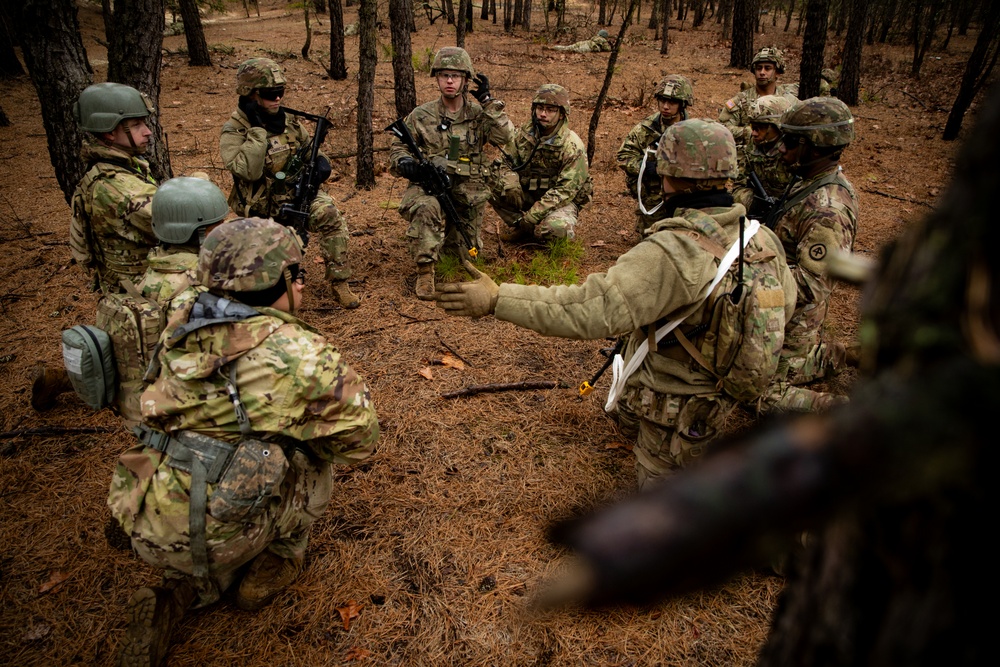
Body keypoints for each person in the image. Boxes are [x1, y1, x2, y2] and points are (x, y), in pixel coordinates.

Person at [436, 120, 795, 490]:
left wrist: (499, 298)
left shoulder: (671, 252)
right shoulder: (760, 236)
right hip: (725, 399)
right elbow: (787, 309)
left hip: (674, 415)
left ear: (669, 176)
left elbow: (589, 309)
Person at [108, 217, 379, 666]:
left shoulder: (177, 317)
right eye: (299, 274)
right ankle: (277, 559)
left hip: (141, 506)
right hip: (215, 530)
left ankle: (183, 589)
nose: (304, 283)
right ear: (284, 280)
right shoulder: (299, 355)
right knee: (311, 460)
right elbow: (361, 442)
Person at [30, 176, 226, 414]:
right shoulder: (198, 291)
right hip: (180, 411)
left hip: (139, 401)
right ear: (200, 234)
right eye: (218, 225)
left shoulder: (148, 276)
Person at [220, 57, 360, 309]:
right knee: (274, 268)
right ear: (249, 95)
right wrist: (257, 130)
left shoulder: (289, 122)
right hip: (261, 209)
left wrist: (321, 164)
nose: (277, 99)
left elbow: (310, 151)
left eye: (280, 93)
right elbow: (248, 172)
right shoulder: (235, 131)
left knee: (329, 214)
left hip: (298, 195)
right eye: (269, 94)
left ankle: (340, 282)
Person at [388, 46, 514, 299]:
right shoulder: (422, 115)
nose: (449, 81)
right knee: (427, 208)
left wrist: (489, 102)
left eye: (455, 76)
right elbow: (398, 145)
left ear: (465, 80)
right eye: (444, 75)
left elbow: (507, 136)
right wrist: (404, 162)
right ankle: (425, 271)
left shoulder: (478, 114)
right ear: (436, 78)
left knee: (465, 254)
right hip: (430, 185)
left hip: (468, 189)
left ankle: (442, 247)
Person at [759, 97, 859, 413]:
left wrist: (751, 281)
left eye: (790, 141)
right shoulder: (808, 178)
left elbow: (812, 285)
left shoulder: (827, 209)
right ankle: (842, 356)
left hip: (793, 315)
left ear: (815, 147)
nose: (781, 148)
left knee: (758, 393)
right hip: (780, 304)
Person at [69, 82, 158, 294]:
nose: (148, 132)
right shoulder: (120, 188)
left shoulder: (108, 168)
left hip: (127, 289)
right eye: (136, 125)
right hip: (145, 296)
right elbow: (186, 228)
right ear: (109, 132)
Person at [489, 84, 592, 243]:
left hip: (561, 201)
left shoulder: (572, 146)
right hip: (530, 191)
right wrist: (509, 180)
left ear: (562, 114)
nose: (543, 114)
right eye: (540, 108)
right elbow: (504, 163)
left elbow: (565, 191)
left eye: (551, 110)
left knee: (557, 230)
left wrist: (532, 217)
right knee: (488, 181)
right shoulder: (523, 135)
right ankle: (520, 227)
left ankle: (540, 228)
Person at [616, 74, 694, 235]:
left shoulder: (693, 130)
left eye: (672, 102)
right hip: (654, 193)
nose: (665, 106)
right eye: (662, 100)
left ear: (682, 104)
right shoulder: (647, 128)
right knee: (652, 239)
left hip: (685, 193)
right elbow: (624, 156)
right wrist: (645, 167)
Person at [730, 94, 796, 218]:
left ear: (777, 126)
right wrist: (753, 203)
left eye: (760, 128)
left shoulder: (794, 150)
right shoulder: (753, 144)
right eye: (752, 127)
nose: (754, 133)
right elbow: (739, 186)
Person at [719, 47, 798, 147]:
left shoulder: (790, 101)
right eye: (758, 68)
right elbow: (723, 128)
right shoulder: (741, 100)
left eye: (767, 68)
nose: (762, 72)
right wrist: (747, 132)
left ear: (777, 72)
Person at [548, 29, 612, 53]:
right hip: (588, 47)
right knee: (572, 51)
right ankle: (556, 50)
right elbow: (607, 49)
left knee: (568, 47)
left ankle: (555, 47)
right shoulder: (603, 40)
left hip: (584, 42)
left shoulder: (595, 37)